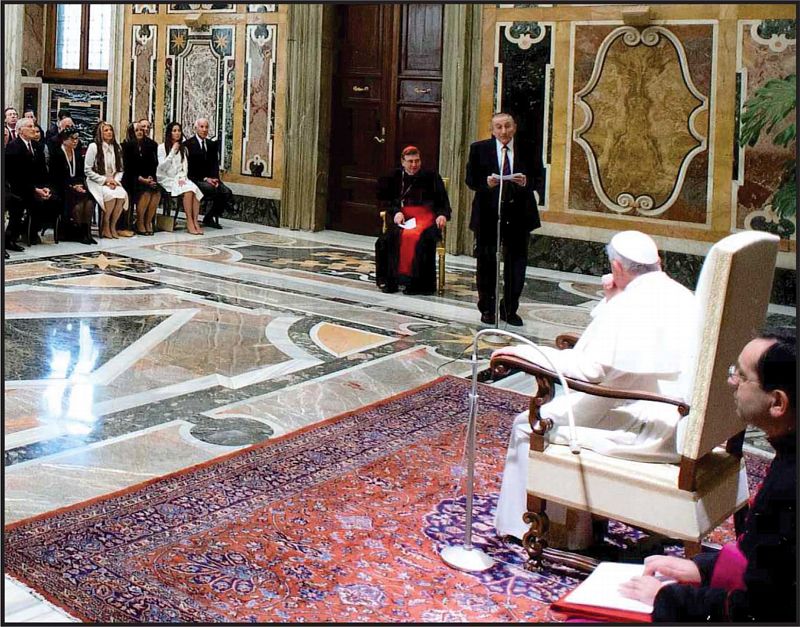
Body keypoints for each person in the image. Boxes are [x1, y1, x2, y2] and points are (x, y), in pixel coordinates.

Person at [492, 230, 697, 543]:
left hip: (647, 424)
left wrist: (525, 353)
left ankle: (549, 533)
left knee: (529, 425)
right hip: (674, 416)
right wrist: (612, 300)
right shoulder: (681, 294)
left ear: (616, 267)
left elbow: (590, 371)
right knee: (568, 411)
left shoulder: (629, 305)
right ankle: (581, 522)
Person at [619, 330, 796, 623]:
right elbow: (771, 562)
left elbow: (761, 610)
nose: (732, 382)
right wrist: (703, 569)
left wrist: (666, 598)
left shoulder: (789, 486)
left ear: (777, 403)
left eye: (742, 375)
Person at [466, 111, 543, 326]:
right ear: (492, 130)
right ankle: (487, 308)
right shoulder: (479, 149)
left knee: (516, 264)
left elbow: (539, 178)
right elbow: (471, 180)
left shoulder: (528, 148)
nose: (503, 131)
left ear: (514, 127)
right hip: (488, 214)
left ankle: (510, 309)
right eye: (498, 127)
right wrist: (487, 183)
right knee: (487, 263)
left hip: (520, 214)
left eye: (507, 126)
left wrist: (527, 182)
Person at [375, 146, 451, 295]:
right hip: (404, 218)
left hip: (427, 219)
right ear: (402, 162)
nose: (414, 165)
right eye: (410, 161)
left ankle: (417, 284)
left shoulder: (432, 176)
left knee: (422, 240)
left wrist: (442, 215)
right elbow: (386, 200)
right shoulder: (394, 177)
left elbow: (442, 202)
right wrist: (395, 212)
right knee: (385, 241)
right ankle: (391, 281)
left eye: (417, 161)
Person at [5, 116, 59, 247]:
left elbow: (42, 171)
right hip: (18, 187)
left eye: (33, 126)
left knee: (54, 199)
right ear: (20, 130)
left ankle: (33, 230)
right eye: (29, 127)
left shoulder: (36, 146)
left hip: (35, 186)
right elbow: (16, 175)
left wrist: (45, 187)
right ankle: (11, 238)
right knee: (21, 202)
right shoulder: (14, 147)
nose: (33, 129)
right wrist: (35, 190)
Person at [49, 126, 96, 245]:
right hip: (62, 187)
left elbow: (80, 173)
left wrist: (79, 184)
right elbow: (56, 176)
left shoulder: (77, 153)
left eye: (77, 138)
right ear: (64, 140)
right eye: (72, 138)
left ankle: (87, 231)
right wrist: (72, 186)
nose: (75, 141)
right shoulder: (57, 153)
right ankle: (79, 232)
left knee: (89, 202)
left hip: (77, 185)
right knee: (78, 203)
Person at [157, 121, 205, 235]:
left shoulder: (184, 149)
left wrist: (182, 177)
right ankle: (189, 221)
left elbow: (185, 167)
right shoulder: (162, 147)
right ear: (169, 133)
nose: (177, 133)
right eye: (174, 131)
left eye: (179, 131)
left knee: (195, 190)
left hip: (180, 178)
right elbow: (162, 167)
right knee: (188, 191)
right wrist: (173, 151)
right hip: (167, 178)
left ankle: (195, 221)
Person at [185, 117, 234, 229]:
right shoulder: (188, 144)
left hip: (211, 179)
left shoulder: (212, 144)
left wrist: (215, 179)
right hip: (196, 179)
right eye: (202, 127)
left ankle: (209, 217)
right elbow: (190, 168)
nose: (204, 130)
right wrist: (206, 178)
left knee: (226, 192)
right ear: (196, 128)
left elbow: (214, 165)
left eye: (206, 127)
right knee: (213, 190)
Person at [84, 120, 130, 239]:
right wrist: (105, 180)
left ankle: (113, 225)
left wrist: (115, 180)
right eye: (106, 130)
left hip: (114, 181)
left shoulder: (117, 147)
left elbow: (120, 169)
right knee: (110, 196)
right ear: (100, 133)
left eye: (110, 130)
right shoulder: (93, 147)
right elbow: (87, 170)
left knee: (121, 195)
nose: (109, 132)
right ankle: (105, 223)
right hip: (97, 180)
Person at [122, 122, 161, 235]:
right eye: (137, 130)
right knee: (146, 193)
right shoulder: (126, 146)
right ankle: (140, 222)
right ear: (131, 132)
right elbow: (128, 168)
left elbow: (153, 165)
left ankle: (147, 222)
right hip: (132, 179)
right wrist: (143, 180)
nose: (140, 132)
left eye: (141, 130)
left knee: (157, 193)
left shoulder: (149, 145)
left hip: (147, 178)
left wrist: (150, 178)